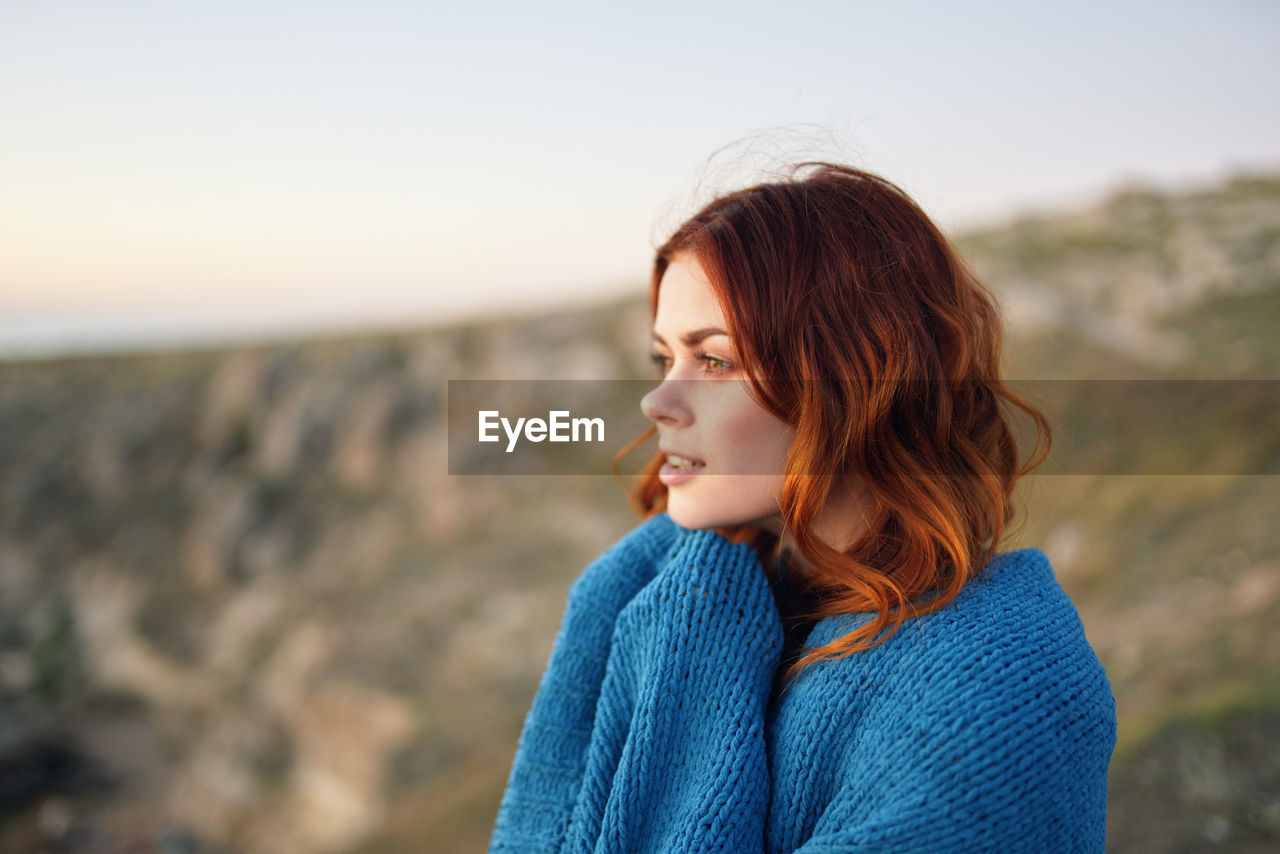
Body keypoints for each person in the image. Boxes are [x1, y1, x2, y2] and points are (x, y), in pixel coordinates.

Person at [488, 163, 1116, 852]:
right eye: (664, 358)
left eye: (717, 361)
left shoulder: (995, 690)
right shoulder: (666, 598)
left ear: (858, 378)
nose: (658, 403)